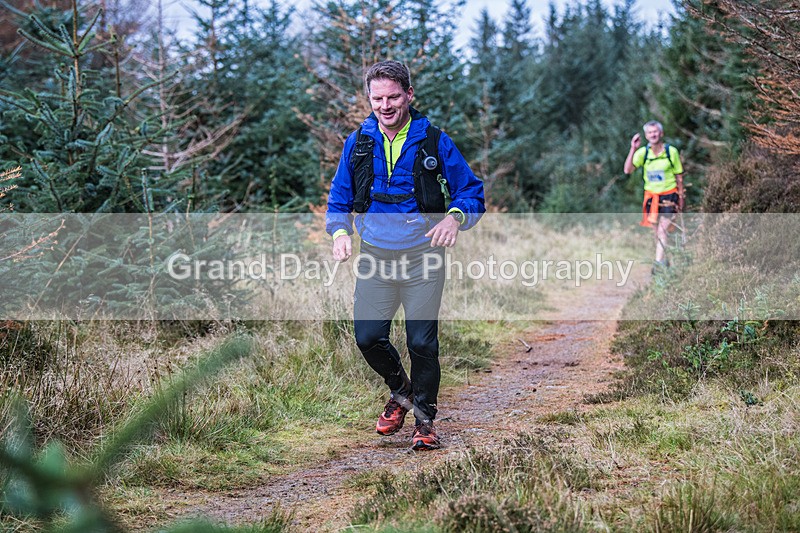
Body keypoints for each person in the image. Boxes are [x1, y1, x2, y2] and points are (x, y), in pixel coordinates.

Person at [326, 60, 485, 450]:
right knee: (367, 337)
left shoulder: (433, 140)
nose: (385, 105)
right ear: (369, 98)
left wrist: (454, 218)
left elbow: (472, 193)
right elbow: (339, 200)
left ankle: (425, 423)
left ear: (409, 95)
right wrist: (341, 232)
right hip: (376, 256)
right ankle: (401, 391)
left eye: (393, 96)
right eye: (377, 98)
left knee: (422, 343)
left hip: (424, 257)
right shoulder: (358, 142)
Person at [623, 120, 685, 271]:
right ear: (646, 135)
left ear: (661, 133)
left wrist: (681, 197)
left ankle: (657, 265)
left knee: (663, 230)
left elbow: (679, 176)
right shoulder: (643, 153)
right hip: (651, 197)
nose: (653, 134)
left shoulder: (671, 152)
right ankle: (666, 262)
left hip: (669, 195)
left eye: (655, 131)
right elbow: (628, 170)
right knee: (657, 232)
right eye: (650, 132)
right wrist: (633, 148)